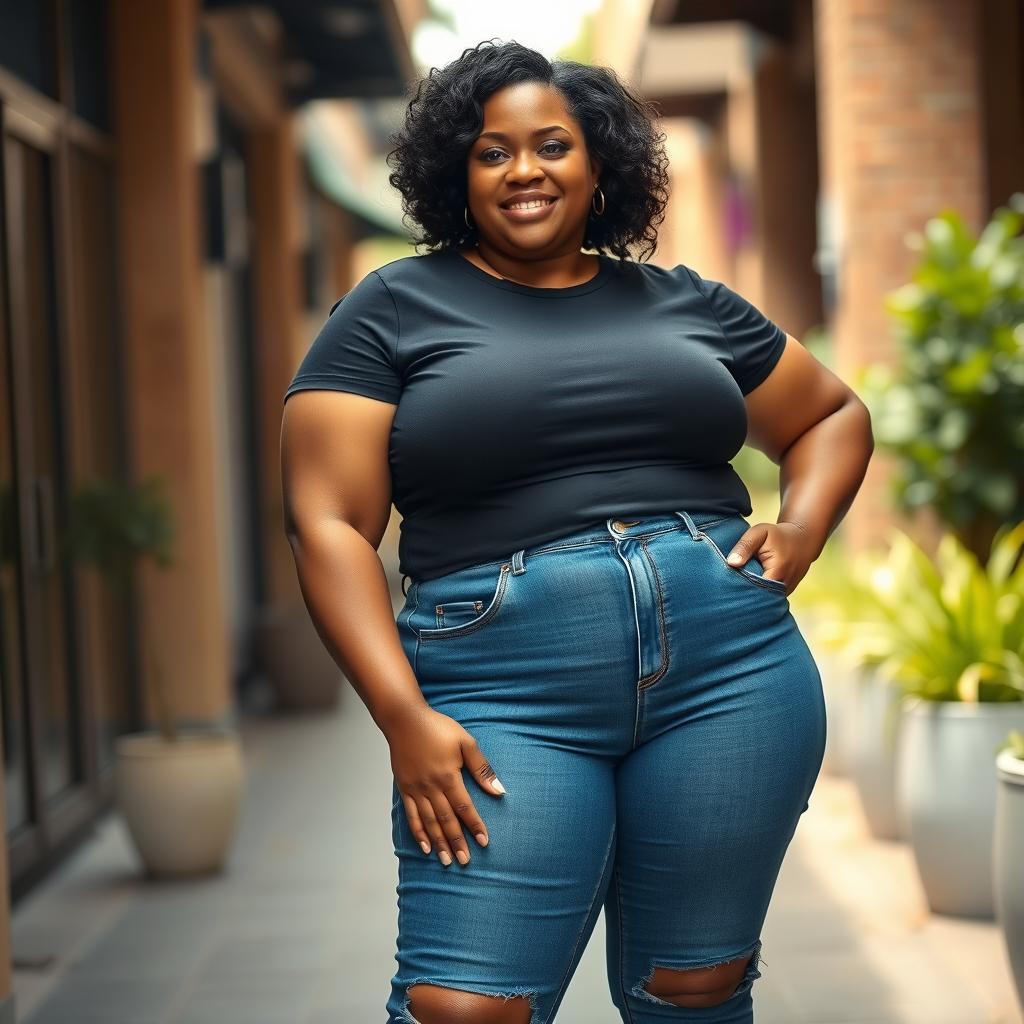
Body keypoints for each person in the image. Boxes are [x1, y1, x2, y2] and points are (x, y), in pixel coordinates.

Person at [280, 39, 873, 1024]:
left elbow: (829, 415)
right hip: (501, 686)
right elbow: (328, 521)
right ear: (452, 174)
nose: (523, 170)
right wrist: (399, 716)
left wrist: (803, 527)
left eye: (550, 144)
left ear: (597, 163)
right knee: (464, 1005)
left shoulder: (685, 300)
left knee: (694, 985)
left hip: (730, 673)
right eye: (490, 150)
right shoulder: (391, 308)